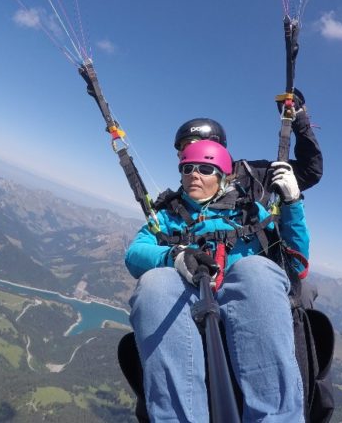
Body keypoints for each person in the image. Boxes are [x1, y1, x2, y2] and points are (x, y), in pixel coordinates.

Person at [126, 140, 309, 422]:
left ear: (223, 176)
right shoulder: (167, 216)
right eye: (187, 168)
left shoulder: (250, 212)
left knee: (256, 272)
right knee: (155, 285)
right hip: (186, 304)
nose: (193, 174)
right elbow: (136, 253)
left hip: (248, 303)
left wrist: (292, 205)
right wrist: (173, 256)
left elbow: (296, 264)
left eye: (204, 169)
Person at [171, 89, 322, 207]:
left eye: (189, 146)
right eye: (180, 150)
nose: (181, 154)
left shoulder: (255, 176)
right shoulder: (179, 200)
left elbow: (310, 171)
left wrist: (299, 120)